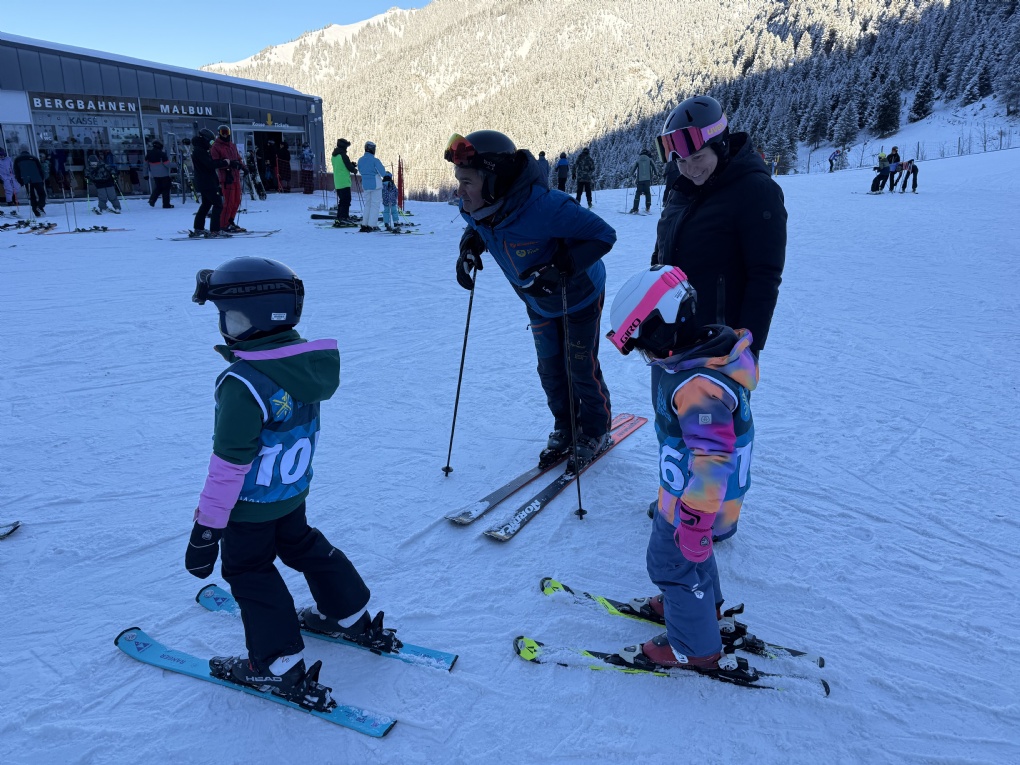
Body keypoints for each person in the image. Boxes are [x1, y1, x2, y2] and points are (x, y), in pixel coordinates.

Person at [186, 256, 389, 707]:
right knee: (301, 544)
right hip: (291, 493)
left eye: (230, 317)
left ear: (253, 320)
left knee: (249, 570)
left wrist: (207, 528)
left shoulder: (243, 382)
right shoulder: (303, 365)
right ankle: (348, 613)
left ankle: (274, 663)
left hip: (251, 506)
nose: (225, 326)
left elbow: (228, 465)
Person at [605, 264, 760, 684]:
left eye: (644, 346)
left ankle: (695, 647)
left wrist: (694, 519)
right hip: (697, 496)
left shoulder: (697, 386)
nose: (648, 356)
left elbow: (712, 458)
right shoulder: (711, 357)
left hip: (696, 500)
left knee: (669, 563)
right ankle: (701, 606)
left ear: (662, 330)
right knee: (693, 556)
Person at [651, 94, 786, 538]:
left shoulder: (756, 191)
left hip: (720, 344)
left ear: (721, 145)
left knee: (714, 438)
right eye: (680, 160)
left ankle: (716, 520)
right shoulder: (679, 184)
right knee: (671, 424)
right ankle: (677, 498)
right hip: (672, 336)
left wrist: (749, 345)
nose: (689, 168)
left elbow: (765, 276)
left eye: (698, 158)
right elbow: (663, 255)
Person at [446, 130, 616, 469]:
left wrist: (562, 266)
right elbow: (478, 227)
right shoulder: (476, 206)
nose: (458, 192)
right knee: (550, 368)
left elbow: (604, 235)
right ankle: (566, 426)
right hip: (537, 301)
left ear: (494, 181)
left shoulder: (546, 208)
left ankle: (596, 430)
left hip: (580, 297)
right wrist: (469, 248)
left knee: (580, 367)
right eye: (458, 181)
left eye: (466, 182)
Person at [191, 128, 233, 238]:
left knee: (206, 204)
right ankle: (215, 230)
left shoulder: (200, 149)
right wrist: (224, 162)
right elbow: (210, 164)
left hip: (205, 182)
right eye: (210, 142)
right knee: (218, 204)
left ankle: (198, 228)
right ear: (205, 139)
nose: (211, 144)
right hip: (207, 183)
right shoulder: (200, 151)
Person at [211, 126, 245, 233]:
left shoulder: (232, 145)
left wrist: (243, 167)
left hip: (236, 177)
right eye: (223, 132)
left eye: (227, 132)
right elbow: (215, 163)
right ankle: (223, 224)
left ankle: (230, 221)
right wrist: (229, 165)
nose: (225, 135)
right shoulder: (216, 147)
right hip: (227, 178)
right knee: (229, 202)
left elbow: (238, 158)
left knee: (237, 201)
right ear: (219, 133)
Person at [357, 141, 386, 233]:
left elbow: (360, 171)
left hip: (365, 185)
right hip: (376, 185)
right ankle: (372, 225)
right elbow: (383, 173)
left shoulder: (360, 160)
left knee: (368, 204)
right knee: (375, 205)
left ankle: (364, 224)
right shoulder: (375, 161)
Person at [330, 138, 358, 225]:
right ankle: (344, 217)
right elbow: (349, 167)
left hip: (337, 181)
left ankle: (340, 216)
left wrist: (350, 165)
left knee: (342, 200)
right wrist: (354, 169)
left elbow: (342, 166)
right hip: (344, 181)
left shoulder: (334, 156)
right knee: (346, 200)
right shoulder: (343, 155)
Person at [14, 148, 47, 216]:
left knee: (32, 196)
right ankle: (40, 206)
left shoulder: (17, 159)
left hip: (26, 179)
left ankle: (36, 211)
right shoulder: (34, 158)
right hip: (37, 178)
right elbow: (40, 168)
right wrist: (42, 178)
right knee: (41, 193)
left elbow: (17, 172)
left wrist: (21, 181)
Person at [146, 140, 174, 208]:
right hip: (164, 174)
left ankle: (152, 199)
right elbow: (167, 164)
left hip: (154, 174)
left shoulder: (148, 154)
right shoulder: (162, 154)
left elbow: (145, 165)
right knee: (166, 189)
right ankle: (166, 204)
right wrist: (176, 165)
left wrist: (145, 174)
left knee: (158, 187)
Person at [630, 148, 655, 213]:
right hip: (647, 180)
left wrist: (629, 175)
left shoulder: (638, 160)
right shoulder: (650, 160)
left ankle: (635, 208)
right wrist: (657, 174)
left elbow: (633, 169)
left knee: (638, 193)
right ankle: (648, 207)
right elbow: (655, 168)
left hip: (640, 180)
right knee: (648, 193)